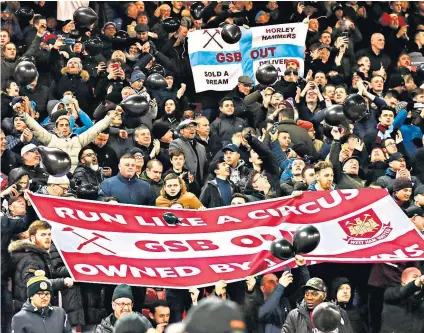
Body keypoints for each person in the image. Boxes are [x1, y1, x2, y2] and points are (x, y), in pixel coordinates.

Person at [8, 220, 73, 312]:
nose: (47, 238)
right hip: (31, 310)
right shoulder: (31, 259)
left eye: (49, 234)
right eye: (42, 235)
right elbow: (31, 283)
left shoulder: (36, 255)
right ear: (33, 238)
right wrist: (62, 282)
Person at [243, 255, 309, 333]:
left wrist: (303, 267)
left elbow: (304, 291)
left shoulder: (285, 302)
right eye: (271, 282)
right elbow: (263, 313)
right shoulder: (257, 307)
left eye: (277, 281)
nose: (276, 284)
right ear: (263, 288)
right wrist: (280, 286)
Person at [281, 277, 353, 333]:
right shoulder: (294, 315)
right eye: (307, 294)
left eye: (314, 294)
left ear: (324, 296)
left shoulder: (339, 312)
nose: (309, 297)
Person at [380, 267, 424, 333]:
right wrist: (418, 281)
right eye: (415, 277)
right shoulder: (390, 292)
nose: (419, 281)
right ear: (404, 280)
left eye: (420, 277)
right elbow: (403, 292)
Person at [169, 119, 207, 185]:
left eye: (194, 127)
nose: (192, 129)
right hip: (185, 184)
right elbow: (178, 164)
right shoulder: (176, 143)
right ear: (181, 131)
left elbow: (205, 168)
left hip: (200, 186)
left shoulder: (202, 147)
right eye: (188, 127)